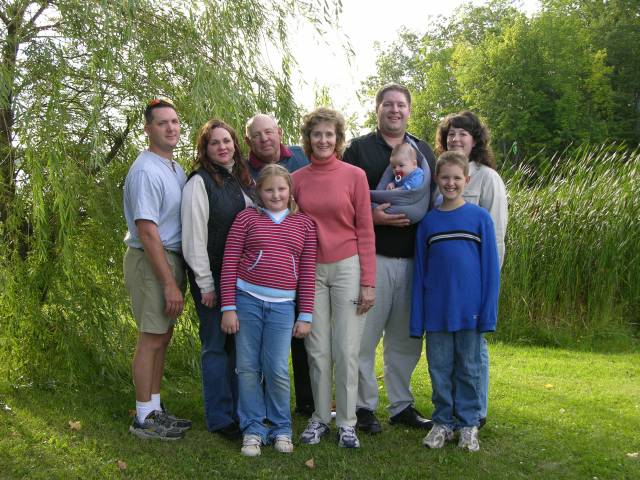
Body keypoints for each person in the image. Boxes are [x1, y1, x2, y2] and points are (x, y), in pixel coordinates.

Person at [343, 84, 437, 435]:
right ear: (377, 109)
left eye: (401, 105)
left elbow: (432, 197)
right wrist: (373, 216)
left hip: (413, 259)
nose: (394, 110)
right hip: (372, 258)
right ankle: (363, 406)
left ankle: (401, 406)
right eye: (388, 104)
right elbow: (343, 197)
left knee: (405, 339)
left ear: (409, 110)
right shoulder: (359, 149)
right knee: (364, 337)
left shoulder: (423, 151)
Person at [219, 164, 317, 457]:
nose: (276, 195)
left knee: (276, 368)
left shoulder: (304, 224)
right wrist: (228, 307)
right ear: (259, 192)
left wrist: (306, 315)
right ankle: (253, 429)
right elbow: (230, 261)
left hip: (283, 307)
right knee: (248, 367)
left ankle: (281, 428)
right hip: (246, 300)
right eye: (269, 190)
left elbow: (307, 273)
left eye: (281, 189)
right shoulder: (247, 218)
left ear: (290, 191)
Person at [292, 107, 376, 449]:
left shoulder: (355, 176)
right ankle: (319, 417)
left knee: (346, 348)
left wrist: (368, 281)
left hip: (348, 267)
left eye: (329, 134)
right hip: (311, 270)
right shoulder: (296, 179)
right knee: (317, 350)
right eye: (317, 134)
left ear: (338, 139)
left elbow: (365, 229)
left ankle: (347, 422)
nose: (323, 140)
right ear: (308, 139)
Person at [410, 151, 500, 452]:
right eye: (445, 177)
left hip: (469, 313)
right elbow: (420, 273)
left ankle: (468, 424)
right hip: (437, 313)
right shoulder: (429, 223)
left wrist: (487, 314)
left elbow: (490, 272)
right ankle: (443, 423)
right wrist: (417, 319)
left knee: (470, 369)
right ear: (437, 179)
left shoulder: (480, 219)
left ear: (467, 180)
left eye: (457, 178)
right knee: (439, 369)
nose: (451, 183)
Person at [181, 119, 255, 440]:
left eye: (227, 141)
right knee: (215, 345)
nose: (223, 147)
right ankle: (220, 418)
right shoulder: (199, 183)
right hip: (211, 277)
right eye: (215, 142)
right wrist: (205, 283)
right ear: (205, 149)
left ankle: (240, 412)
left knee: (239, 347)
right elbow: (193, 238)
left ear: (235, 144)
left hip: (241, 280)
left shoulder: (242, 179)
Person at [123, 98, 192, 440]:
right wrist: (168, 283)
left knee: (163, 336)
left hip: (170, 258)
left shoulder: (173, 167)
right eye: (162, 123)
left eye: (174, 121)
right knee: (151, 338)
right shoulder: (145, 171)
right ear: (148, 129)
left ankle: (154, 408)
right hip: (152, 260)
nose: (171, 128)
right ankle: (142, 418)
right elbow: (147, 230)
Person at [435, 110, 508, 427]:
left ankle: (476, 411)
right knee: (446, 352)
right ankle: (452, 410)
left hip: (474, 282)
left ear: (475, 140)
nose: (455, 138)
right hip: (444, 284)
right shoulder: (441, 176)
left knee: (472, 349)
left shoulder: (488, 178)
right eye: (451, 133)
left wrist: (488, 284)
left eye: (462, 133)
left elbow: (497, 236)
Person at [244, 113, 314, 416]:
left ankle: (308, 401)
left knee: (302, 336)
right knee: (260, 347)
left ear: (279, 132)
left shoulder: (301, 157)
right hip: (260, 271)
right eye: (257, 135)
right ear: (248, 141)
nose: (264, 139)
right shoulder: (243, 169)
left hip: (300, 253)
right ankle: (258, 405)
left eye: (269, 132)